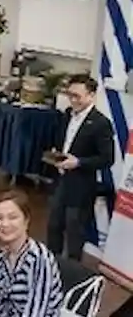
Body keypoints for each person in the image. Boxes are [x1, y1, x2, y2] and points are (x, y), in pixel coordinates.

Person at [47, 74, 115, 260]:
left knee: (74, 233)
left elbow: (107, 159)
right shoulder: (67, 115)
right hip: (60, 181)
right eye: (70, 95)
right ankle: (50, 266)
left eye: (77, 96)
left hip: (81, 188)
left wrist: (78, 162)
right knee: (53, 227)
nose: (73, 100)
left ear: (91, 95)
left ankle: (72, 271)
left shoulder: (101, 124)